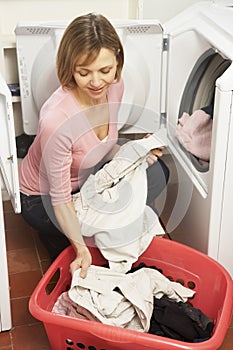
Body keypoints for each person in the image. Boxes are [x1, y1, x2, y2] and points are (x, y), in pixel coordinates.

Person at [19, 13, 169, 279]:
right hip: (42, 200)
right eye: (83, 72)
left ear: (117, 63)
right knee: (88, 247)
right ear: (69, 67)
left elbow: (103, 147)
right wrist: (81, 250)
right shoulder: (57, 120)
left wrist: (135, 155)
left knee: (158, 174)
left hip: (85, 178)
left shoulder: (115, 87)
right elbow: (60, 199)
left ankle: (89, 231)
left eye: (105, 70)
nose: (97, 82)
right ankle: (60, 237)